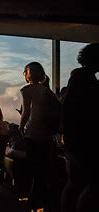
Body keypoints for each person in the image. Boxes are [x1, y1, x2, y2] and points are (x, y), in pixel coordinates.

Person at [61, 43, 99, 212]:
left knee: (74, 183)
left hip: (74, 139)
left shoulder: (77, 78)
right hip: (83, 140)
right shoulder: (86, 80)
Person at [19, 62, 60, 211]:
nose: (24, 74)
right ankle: (41, 199)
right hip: (47, 135)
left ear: (28, 73)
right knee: (43, 168)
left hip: (33, 134)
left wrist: (20, 126)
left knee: (34, 167)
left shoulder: (26, 90)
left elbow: (26, 112)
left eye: (25, 71)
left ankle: (33, 201)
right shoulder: (47, 91)